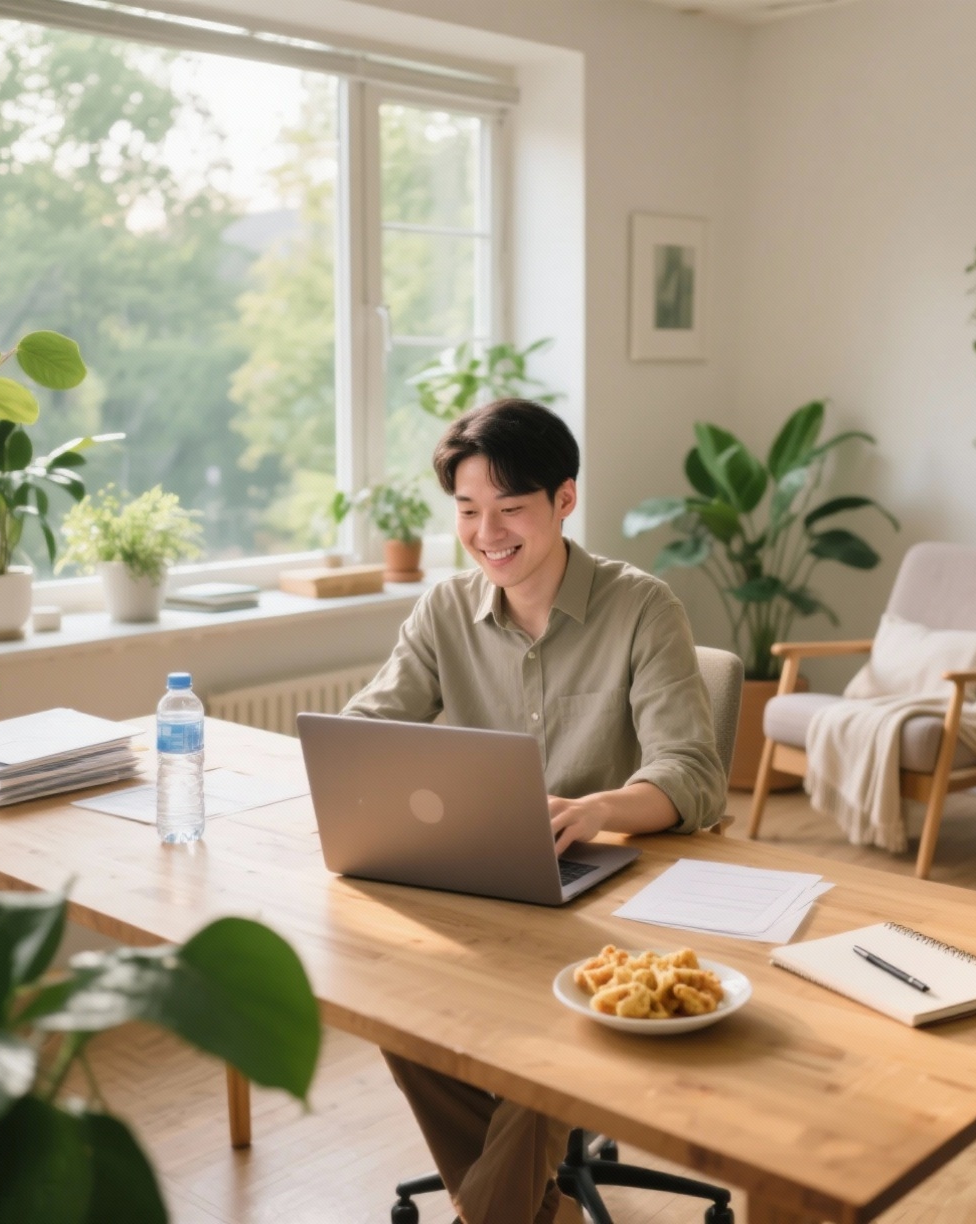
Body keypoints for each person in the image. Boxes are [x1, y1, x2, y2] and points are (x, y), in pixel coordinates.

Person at [342, 397, 727, 1224]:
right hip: (485, 882)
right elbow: (366, 728)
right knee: (395, 1003)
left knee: (553, 1034)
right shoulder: (445, 608)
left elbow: (693, 776)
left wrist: (596, 810)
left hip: (615, 895)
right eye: (468, 511)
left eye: (510, 508)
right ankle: (525, 1212)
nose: (487, 534)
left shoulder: (643, 607)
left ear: (564, 499)